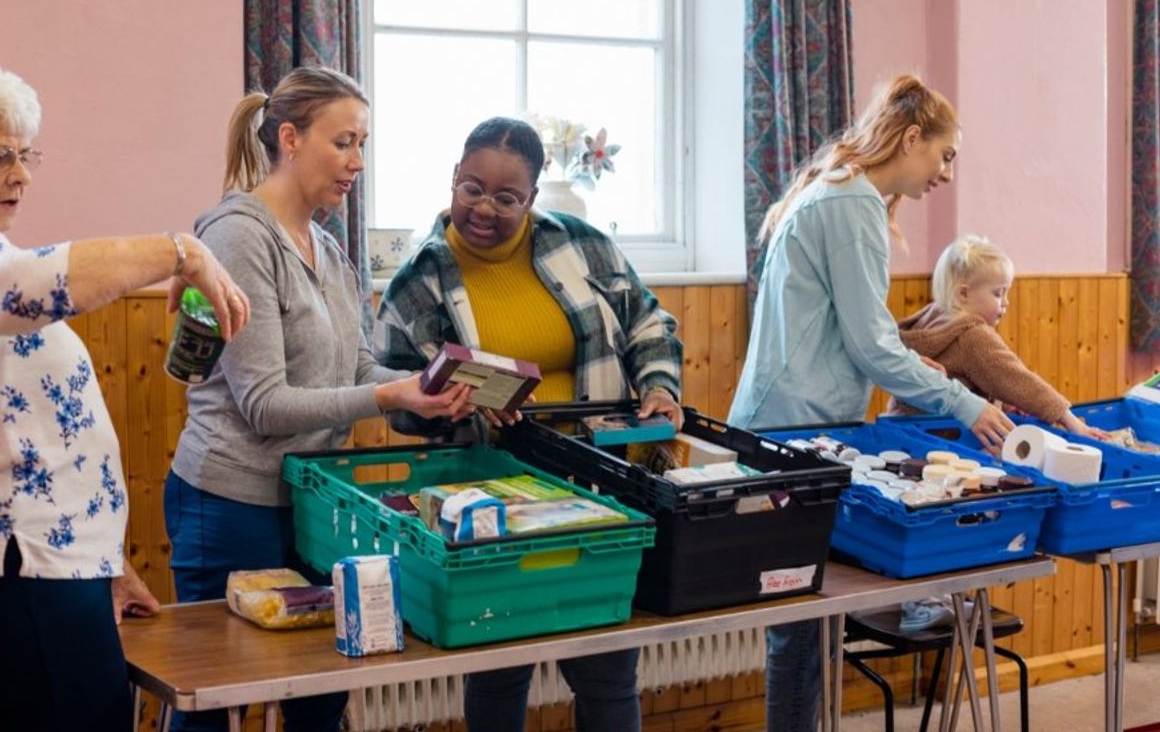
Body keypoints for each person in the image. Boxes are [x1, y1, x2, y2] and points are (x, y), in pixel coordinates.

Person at [166, 66, 472, 732]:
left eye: (364, 145)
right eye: (344, 143)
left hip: (310, 506)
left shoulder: (331, 250)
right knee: (218, 703)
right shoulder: (238, 237)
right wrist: (390, 392)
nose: (357, 162)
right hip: (228, 504)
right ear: (290, 139)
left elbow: (357, 366)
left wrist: (427, 389)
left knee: (321, 696)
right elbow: (266, 405)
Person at [0, 52, 250, 732]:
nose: (21, 175)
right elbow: (14, 289)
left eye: (27, 154)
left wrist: (105, 562)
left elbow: (34, 434)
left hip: (50, 567)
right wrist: (184, 251)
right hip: (11, 576)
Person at [726, 75, 1015, 732]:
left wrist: (913, 356)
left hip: (788, 422)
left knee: (807, 624)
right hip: (796, 429)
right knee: (802, 628)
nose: (946, 173)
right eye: (944, 155)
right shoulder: (851, 203)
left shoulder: (832, 189)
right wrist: (965, 404)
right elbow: (870, 346)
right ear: (911, 138)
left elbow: (853, 330)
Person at [376, 116, 683, 732]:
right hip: (488, 493)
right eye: (471, 188)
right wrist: (441, 405)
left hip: (599, 486)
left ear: (533, 199)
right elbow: (392, 392)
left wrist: (658, 386)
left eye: (507, 197)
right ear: (453, 180)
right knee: (497, 660)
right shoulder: (420, 278)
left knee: (607, 662)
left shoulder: (581, 243)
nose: (485, 207)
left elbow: (650, 321)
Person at [892, 234, 1108, 440]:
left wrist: (1004, 403)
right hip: (946, 440)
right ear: (964, 294)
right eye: (997, 293)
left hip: (903, 428)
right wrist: (1072, 422)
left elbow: (968, 379)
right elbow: (1018, 380)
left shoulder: (932, 317)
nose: (1006, 302)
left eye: (1006, 292)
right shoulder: (973, 336)